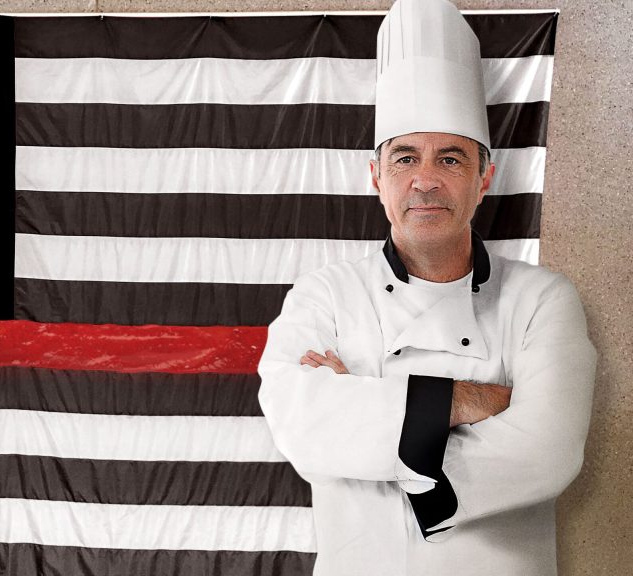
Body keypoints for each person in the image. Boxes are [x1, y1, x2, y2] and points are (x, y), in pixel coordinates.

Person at [256, 1, 597, 575]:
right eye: (406, 157)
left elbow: (547, 452)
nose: (426, 180)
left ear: (484, 178)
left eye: (451, 158)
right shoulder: (324, 295)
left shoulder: (544, 300)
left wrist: (367, 413)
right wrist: (466, 400)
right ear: (376, 177)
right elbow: (299, 424)